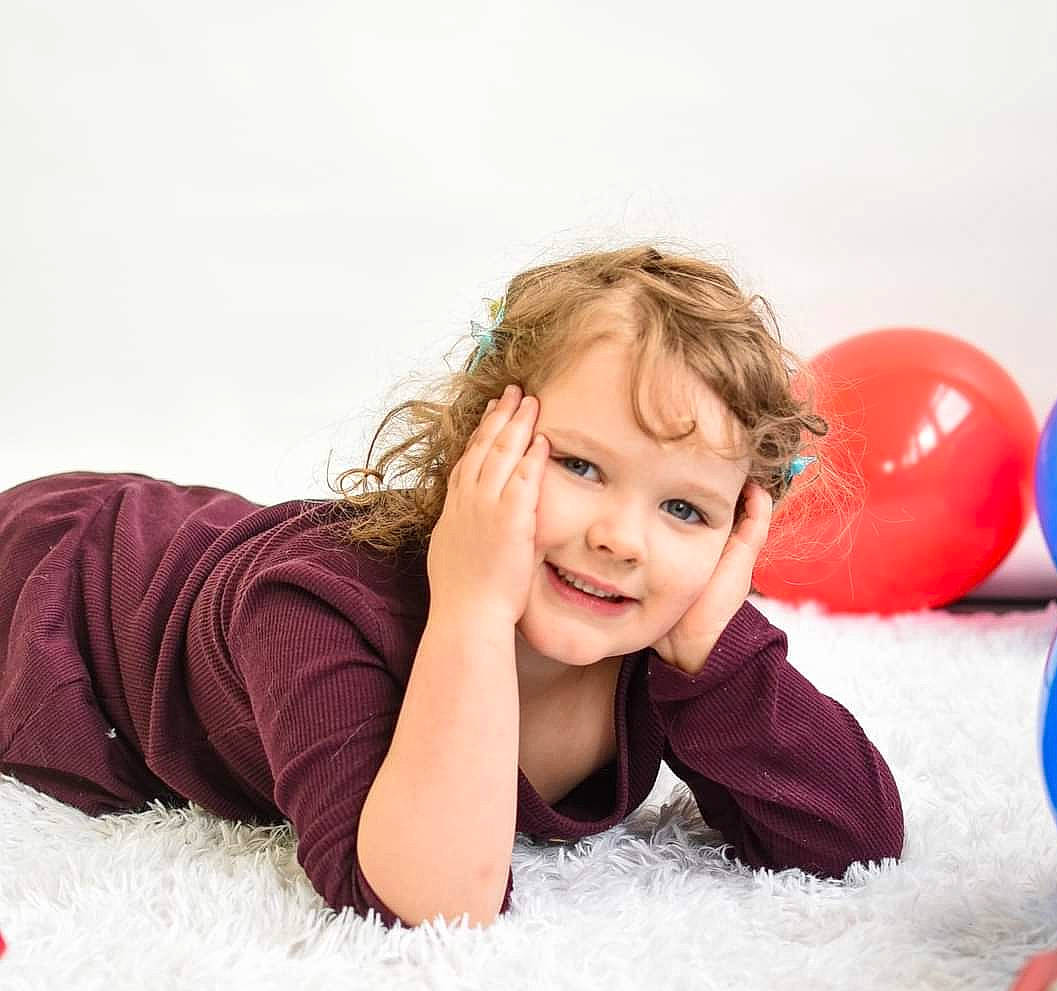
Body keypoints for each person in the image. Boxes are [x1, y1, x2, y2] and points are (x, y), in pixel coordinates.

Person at [0, 244, 902, 927]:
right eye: (581, 466)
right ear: (481, 439)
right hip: (59, 593)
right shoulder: (318, 606)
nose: (621, 538)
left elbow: (854, 845)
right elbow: (426, 902)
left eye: (685, 510)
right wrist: (473, 609)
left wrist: (716, 663)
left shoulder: (656, 632)